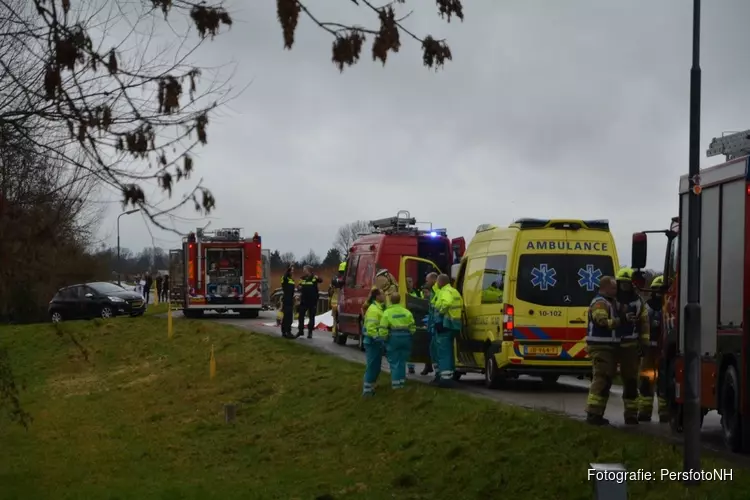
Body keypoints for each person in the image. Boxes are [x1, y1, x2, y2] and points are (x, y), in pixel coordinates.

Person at [615, 267, 650, 425]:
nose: (624, 287)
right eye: (621, 284)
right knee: (604, 379)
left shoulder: (638, 301)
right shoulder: (610, 300)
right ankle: (595, 414)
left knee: (630, 381)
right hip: (611, 345)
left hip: (630, 346)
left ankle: (631, 415)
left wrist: (644, 344)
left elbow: (644, 324)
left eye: (627, 284)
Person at [638, 275, 669, 423]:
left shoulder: (669, 306)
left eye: (661, 290)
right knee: (646, 381)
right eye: (656, 290)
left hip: (664, 352)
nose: (659, 293)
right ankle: (644, 412)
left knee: (664, 381)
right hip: (649, 351)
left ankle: (665, 413)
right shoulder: (646, 307)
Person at [381, 292, 417, 389]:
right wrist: (410, 334)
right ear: (400, 300)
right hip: (406, 338)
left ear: (391, 301)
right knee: (402, 361)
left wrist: (384, 339)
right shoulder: (406, 312)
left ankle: (396, 385)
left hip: (393, 338)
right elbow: (413, 327)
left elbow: (383, 329)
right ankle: (402, 383)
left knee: (394, 362)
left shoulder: (387, 313)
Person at [433, 274, 463, 387]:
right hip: (454, 325)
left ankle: (445, 378)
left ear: (440, 282)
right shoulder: (455, 291)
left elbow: (447, 303)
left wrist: (441, 311)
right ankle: (450, 375)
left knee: (443, 351)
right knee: (450, 351)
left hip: (444, 324)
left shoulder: (444, 292)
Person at [362, 288, 387, 396]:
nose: (385, 296)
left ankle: (371, 386)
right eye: (382, 294)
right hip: (372, 342)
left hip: (375, 342)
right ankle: (367, 390)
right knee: (372, 365)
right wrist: (378, 338)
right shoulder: (373, 310)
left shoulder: (378, 308)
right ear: (377, 296)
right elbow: (371, 328)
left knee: (376, 365)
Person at [421, 272, 440, 377]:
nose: (426, 282)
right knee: (432, 350)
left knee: (437, 352)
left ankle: (439, 375)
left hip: (437, 327)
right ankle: (435, 372)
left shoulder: (437, 292)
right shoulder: (434, 292)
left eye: (427, 280)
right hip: (433, 326)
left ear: (433, 280)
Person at [297, 265, 323, 338]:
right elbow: (298, 287)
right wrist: (299, 287)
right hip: (304, 300)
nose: (303, 271)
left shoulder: (314, 277)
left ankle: (310, 332)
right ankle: (300, 330)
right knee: (301, 316)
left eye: (304, 270)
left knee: (311, 317)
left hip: (312, 300)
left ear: (308, 270)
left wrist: (317, 277)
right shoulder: (302, 278)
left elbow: (321, 280)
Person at [405, 276, 421, 374]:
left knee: (414, 345)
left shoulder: (418, 293)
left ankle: (413, 365)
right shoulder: (402, 293)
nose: (409, 283)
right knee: (408, 346)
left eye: (411, 281)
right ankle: (410, 366)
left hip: (415, 321)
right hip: (405, 323)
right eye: (407, 281)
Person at [330, 261, 346, 340]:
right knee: (339, 318)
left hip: (334, 301)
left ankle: (334, 333)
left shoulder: (334, 278)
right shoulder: (344, 279)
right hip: (340, 302)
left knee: (335, 319)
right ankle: (338, 332)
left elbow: (330, 291)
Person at [280, 265, 296, 338]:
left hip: (290, 299)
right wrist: (288, 269)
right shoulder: (285, 278)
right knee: (287, 316)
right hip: (286, 299)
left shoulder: (292, 280)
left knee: (289, 316)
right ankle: (286, 331)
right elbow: (284, 280)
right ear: (288, 271)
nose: (293, 271)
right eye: (291, 270)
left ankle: (287, 331)